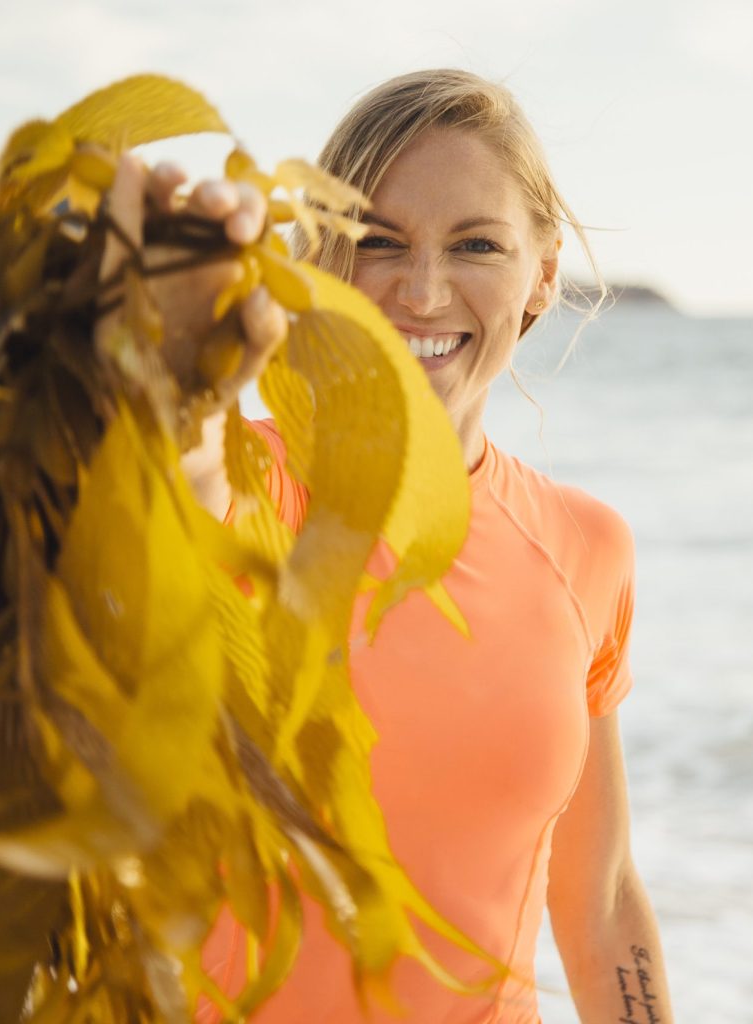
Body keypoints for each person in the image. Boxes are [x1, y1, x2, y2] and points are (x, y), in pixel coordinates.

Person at [100, 69, 674, 1023]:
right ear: (322, 261)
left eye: (476, 245)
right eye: (380, 242)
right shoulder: (248, 484)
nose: (422, 289)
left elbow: (601, 897)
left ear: (541, 272)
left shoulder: (586, 547)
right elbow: (181, 453)